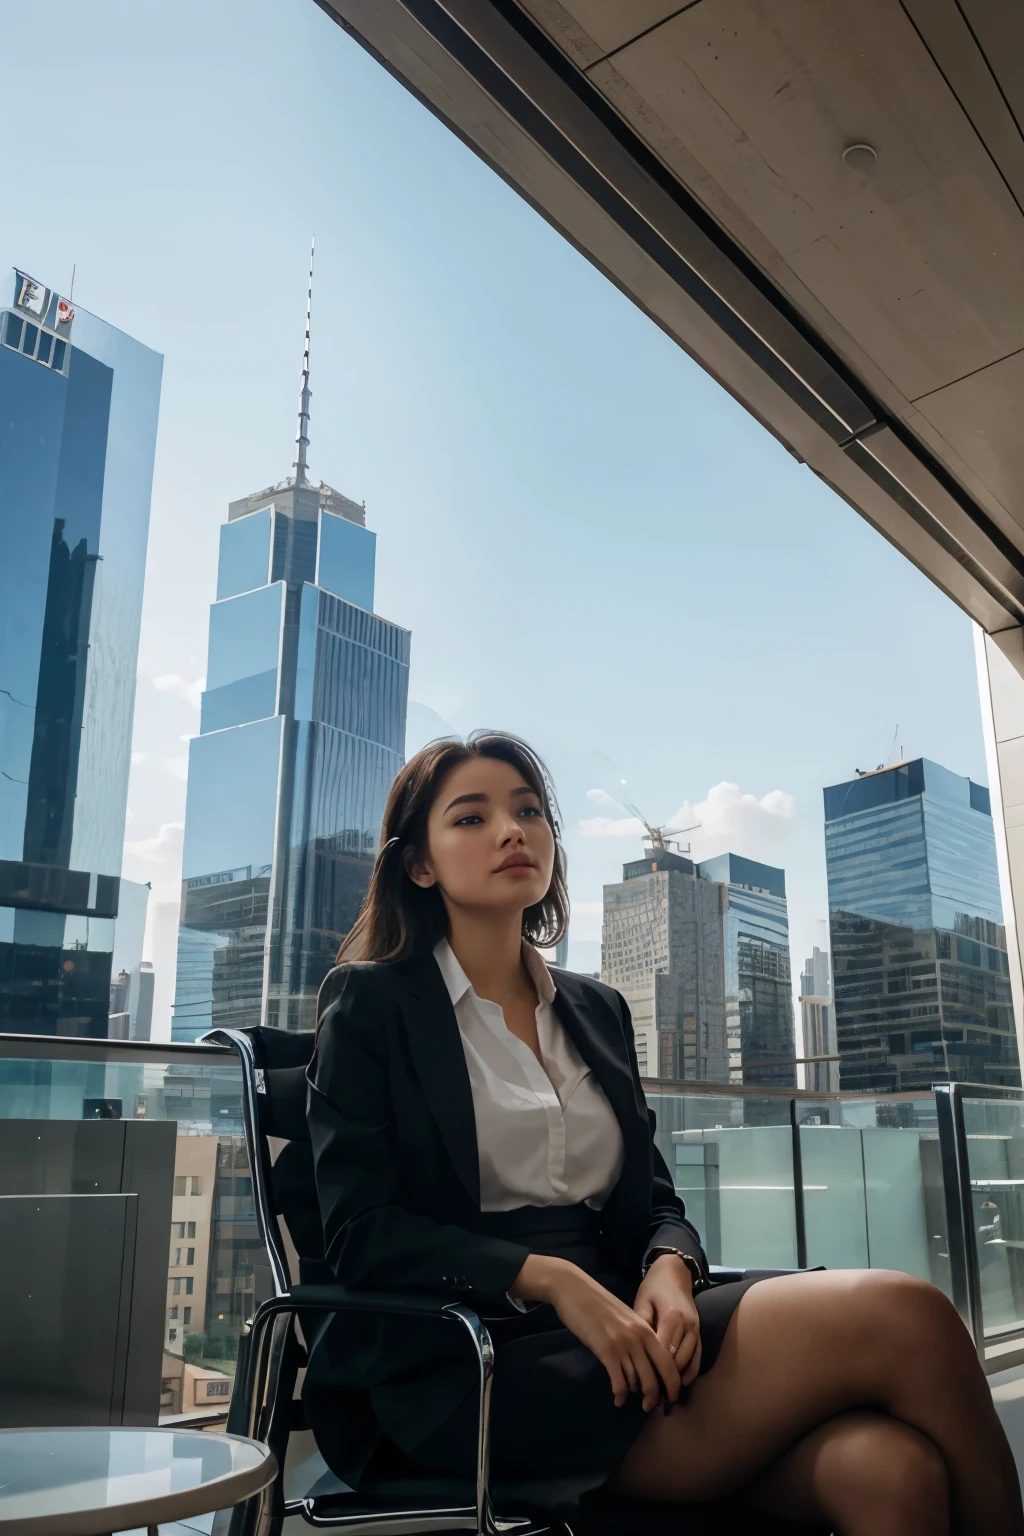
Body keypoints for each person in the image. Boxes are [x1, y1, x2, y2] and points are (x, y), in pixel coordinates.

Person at [305, 732, 1024, 1536]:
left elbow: (654, 1200)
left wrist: (672, 1268)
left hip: (631, 1324)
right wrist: (551, 1279)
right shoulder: (371, 1004)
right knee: (906, 1311)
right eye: (471, 819)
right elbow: (362, 1234)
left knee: (892, 1477)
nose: (512, 831)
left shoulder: (595, 1008)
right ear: (420, 865)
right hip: (466, 1358)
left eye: (529, 811)